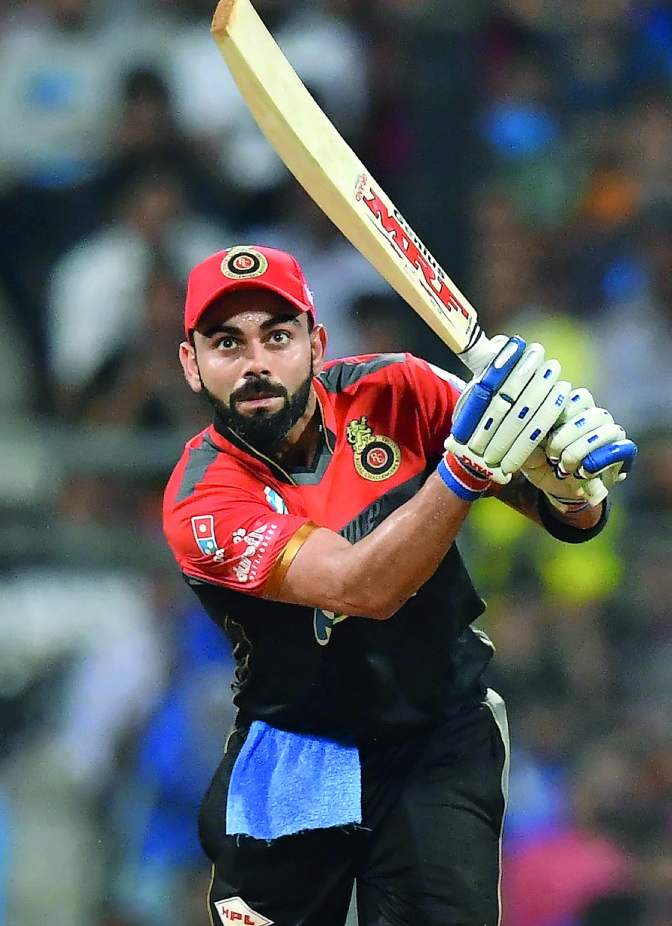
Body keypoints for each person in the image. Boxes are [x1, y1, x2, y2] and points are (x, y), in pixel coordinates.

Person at [162, 244, 636, 926]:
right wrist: (462, 473)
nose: (256, 362)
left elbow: (565, 513)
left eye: (277, 336)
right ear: (191, 363)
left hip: (435, 735)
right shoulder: (200, 500)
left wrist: (570, 479)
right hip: (297, 752)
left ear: (316, 344)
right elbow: (360, 589)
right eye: (226, 343)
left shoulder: (400, 389)